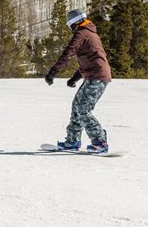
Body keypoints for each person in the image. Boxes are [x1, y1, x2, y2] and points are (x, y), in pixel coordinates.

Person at [44, 9, 112, 153]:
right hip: (93, 74)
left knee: (83, 109)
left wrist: (54, 71)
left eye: (70, 25)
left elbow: (69, 51)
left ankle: (100, 142)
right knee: (77, 106)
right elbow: (89, 58)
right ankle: (72, 141)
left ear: (73, 23)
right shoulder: (89, 32)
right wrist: (75, 77)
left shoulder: (82, 32)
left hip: (98, 76)